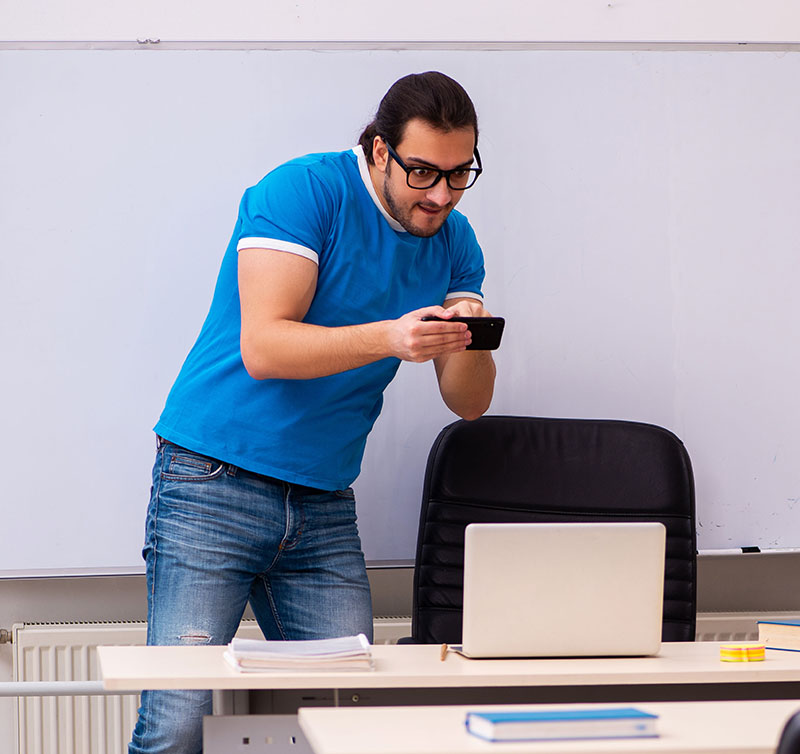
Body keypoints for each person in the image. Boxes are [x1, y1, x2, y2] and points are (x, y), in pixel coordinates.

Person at [129, 70, 496, 754]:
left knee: (355, 716)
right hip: (212, 482)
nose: (440, 194)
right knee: (177, 722)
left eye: (458, 173)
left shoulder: (456, 241)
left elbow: (469, 402)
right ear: (380, 151)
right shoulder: (304, 192)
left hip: (322, 501)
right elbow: (265, 346)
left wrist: (468, 329)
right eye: (422, 172)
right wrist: (392, 335)